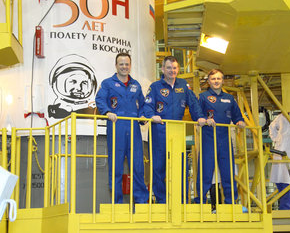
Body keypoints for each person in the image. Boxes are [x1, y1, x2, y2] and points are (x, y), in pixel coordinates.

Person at [144, 56, 206, 203]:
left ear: (178, 69)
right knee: (158, 168)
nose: (172, 71)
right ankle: (161, 201)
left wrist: (200, 117)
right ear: (163, 69)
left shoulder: (183, 85)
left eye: (175, 68)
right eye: (169, 68)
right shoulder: (155, 87)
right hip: (158, 132)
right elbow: (147, 105)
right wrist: (151, 115)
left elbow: (193, 103)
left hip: (177, 132)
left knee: (181, 167)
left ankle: (182, 200)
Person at [95, 52, 148, 204]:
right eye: (121, 64)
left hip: (133, 130)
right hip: (116, 127)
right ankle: (117, 203)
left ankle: (141, 202)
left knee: (137, 166)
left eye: (127, 64)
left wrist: (143, 116)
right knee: (116, 166)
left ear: (130, 66)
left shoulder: (136, 85)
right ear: (116, 66)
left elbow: (143, 105)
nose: (124, 67)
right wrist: (107, 111)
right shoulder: (107, 83)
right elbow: (99, 99)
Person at [194, 69, 245, 205]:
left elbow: (237, 116)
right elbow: (197, 114)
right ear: (209, 82)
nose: (216, 81)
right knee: (205, 171)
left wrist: (240, 122)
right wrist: (204, 119)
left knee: (228, 172)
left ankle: (231, 202)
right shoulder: (203, 97)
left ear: (222, 81)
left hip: (224, 139)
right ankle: (200, 202)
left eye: (218, 79)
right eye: (213, 79)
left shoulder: (229, 99)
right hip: (208, 138)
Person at [48, 54, 98, 118]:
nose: (79, 88)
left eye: (84, 83)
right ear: (59, 82)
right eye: (73, 82)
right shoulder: (55, 111)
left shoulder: (94, 109)